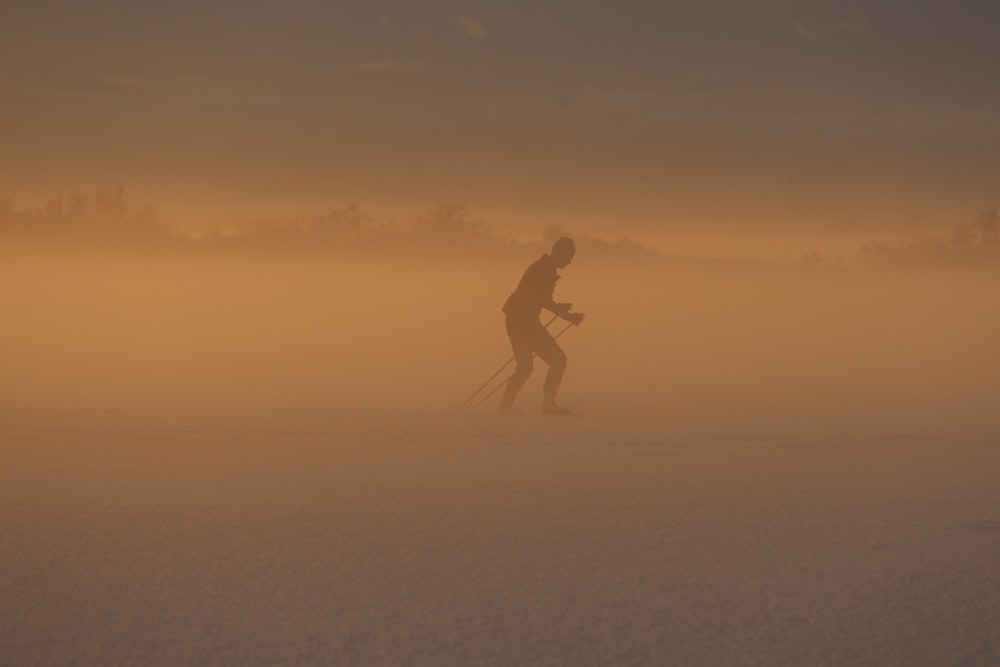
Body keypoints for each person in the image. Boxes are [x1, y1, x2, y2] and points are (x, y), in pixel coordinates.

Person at [500, 236, 585, 414]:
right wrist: (565, 315)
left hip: (518, 320)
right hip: (523, 323)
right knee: (557, 360)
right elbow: (540, 299)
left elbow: (541, 300)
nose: (570, 262)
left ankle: (505, 407)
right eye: (569, 257)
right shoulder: (544, 271)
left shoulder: (544, 268)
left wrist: (562, 311)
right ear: (559, 254)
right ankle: (547, 405)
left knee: (525, 367)